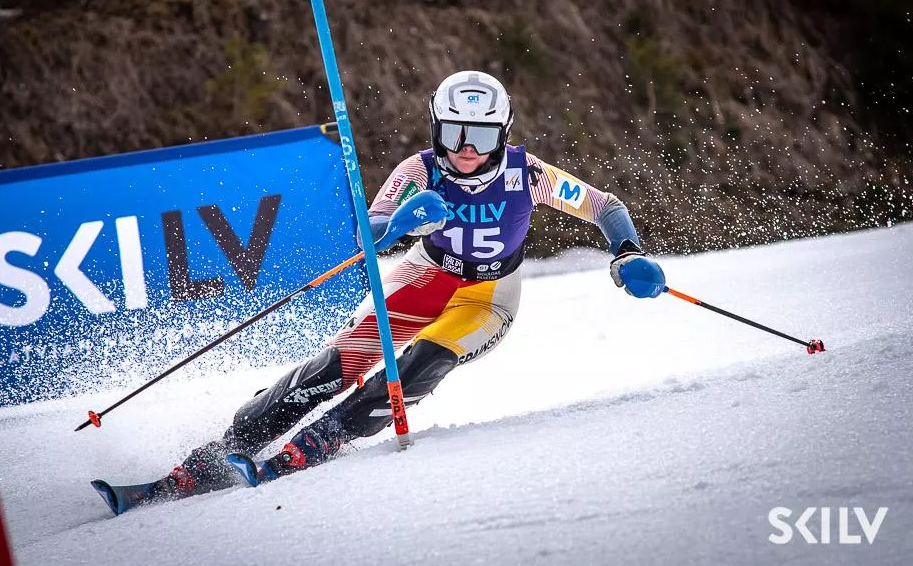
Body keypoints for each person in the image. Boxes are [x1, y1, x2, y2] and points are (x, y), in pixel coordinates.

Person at [94, 70, 665, 512]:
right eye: (455, 133)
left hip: (488, 296)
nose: (467, 148)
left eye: (483, 134)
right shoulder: (418, 169)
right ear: (436, 127)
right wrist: (400, 223)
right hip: (424, 275)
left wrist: (629, 250)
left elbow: (602, 205)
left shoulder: (525, 173)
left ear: (504, 133)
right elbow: (369, 228)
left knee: (421, 364)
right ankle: (227, 449)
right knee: (336, 366)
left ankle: (320, 441)